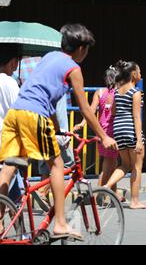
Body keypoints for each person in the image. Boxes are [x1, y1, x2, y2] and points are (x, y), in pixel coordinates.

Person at [0, 24, 118, 241]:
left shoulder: (49, 57)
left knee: (10, 165)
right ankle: (60, 224)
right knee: (57, 164)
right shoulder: (73, 69)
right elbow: (85, 109)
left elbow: (47, 97)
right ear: (81, 48)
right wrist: (104, 136)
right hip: (34, 115)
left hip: (16, 114)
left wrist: (56, 128)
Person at [14, 56, 75, 211]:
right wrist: (61, 132)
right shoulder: (57, 76)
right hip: (48, 125)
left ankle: (41, 194)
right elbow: (57, 110)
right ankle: (46, 196)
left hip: (21, 118)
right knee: (62, 164)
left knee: (38, 163)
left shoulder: (26, 69)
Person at [104, 60, 146, 209]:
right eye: (140, 71)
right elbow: (136, 117)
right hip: (131, 129)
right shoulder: (135, 92)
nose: (141, 74)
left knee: (125, 164)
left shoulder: (117, 91)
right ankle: (135, 201)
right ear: (134, 74)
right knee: (136, 166)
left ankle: (107, 186)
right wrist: (139, 141)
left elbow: (114, 111)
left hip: (118, 129)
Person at [74, 66, 122, 200]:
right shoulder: (119, 93)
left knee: (111, 165)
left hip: (101, 132)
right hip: (113, 133)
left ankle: (113, 196)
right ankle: (94, 196)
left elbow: (90, 110)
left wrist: (83, 124)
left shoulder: (99, 92)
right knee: (108, 168)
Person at [0, 45, 22, 203]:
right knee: (6, 181)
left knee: (14, 193)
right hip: (7, 140)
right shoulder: (10, 83)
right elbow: (19, 111)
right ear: (12, 62)